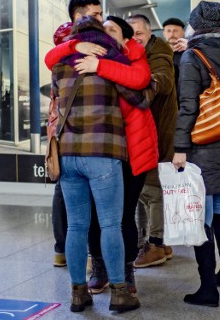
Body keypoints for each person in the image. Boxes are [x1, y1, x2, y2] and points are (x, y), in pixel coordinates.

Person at [46, 16, 158, 296]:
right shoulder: (112, 63)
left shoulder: (60, 67)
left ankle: (77, 292)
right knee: (111, 223)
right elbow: (139, 96)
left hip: (69, 154)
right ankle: (120, 291)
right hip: (102, 153)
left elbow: (56, 98)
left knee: (76, 226)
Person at [172, 0, 220, 308]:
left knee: (201, 216)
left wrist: (180, 148)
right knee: (219, 211)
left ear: (195, 24)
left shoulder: (192, 56)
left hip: (203, 143)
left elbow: (189, 105)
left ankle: (207, 289)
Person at [49, 0, 103, 268]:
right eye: (94, 15)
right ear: (77, 17)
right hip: (69, 124)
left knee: (69, 192)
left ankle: (68, 252)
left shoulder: (77, 41)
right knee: (68, 192)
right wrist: (77, 44)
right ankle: (66, 251)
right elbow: (51, 59)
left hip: (76, 125)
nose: (100, 19)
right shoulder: (68, 40)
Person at [127, 14, 178, 268]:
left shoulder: (158, 52)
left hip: (155, 134)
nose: (135, 38)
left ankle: (155, 244)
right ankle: (157, 242)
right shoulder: (138, 52)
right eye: (131, 33)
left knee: (151, 191)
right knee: (143, 191)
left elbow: (165, 81)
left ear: (149, 33)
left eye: (139, 33)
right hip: (146, 133)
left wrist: (142, 85)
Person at [162, 17, 187, 97]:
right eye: (168, 31)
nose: (172, 34)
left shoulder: (188, 54)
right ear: (163, 33)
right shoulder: (157, 54)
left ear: (183, 32)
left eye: (175, 31)